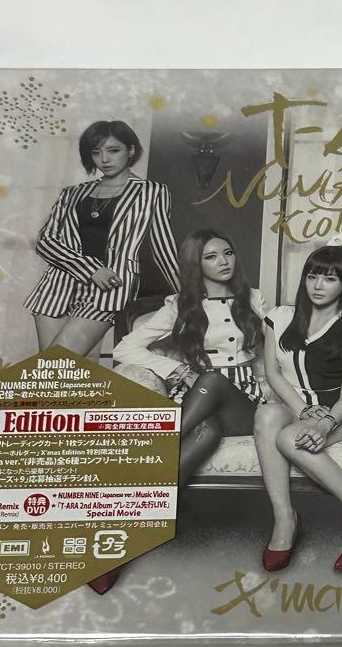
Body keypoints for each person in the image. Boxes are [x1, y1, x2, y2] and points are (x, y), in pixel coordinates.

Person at [88, 228, 265, 594]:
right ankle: (120, 540)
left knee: (213, 379)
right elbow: (124, 349)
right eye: (211, 256)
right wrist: (177, 370)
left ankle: (153, 449)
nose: (223, 261)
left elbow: (291, 340)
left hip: (242, 403)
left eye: (227, 252)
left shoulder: (255, 299)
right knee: (205, 431)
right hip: (199, 401)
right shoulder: (178, 306)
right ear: (195, 264)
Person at [254, 245, 342, 572]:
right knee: (266, 414)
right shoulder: (279, 317)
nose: (318, 285)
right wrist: (304, 410)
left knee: (288, 439)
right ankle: (285, 519)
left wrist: (324, 423)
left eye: (330, 278)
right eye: (312, 276)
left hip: (341, 411)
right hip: (296, 405)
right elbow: (273, 373)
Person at [24, 119, 179, 356]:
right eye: (96, 153)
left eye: (113, 150)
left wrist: (186, 294)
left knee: (57, 364)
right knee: (64, 372)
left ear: (131, 150)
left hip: (109, 288)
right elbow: (46, 241)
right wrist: (91, 269)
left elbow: (163, 247)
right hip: (57, 288)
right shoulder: (73, 194)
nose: (104, 159)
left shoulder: (151, 192)